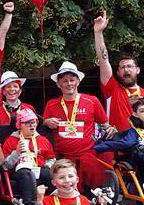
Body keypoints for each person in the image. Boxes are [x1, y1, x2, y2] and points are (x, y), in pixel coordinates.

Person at [42, 61, 114, 192]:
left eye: (72, 80)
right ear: (59, 84)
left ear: (78, 81)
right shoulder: (52, 104)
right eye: (65, 81)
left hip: (87, 157)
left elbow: (106, 125)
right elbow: (44, 125)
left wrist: (111, 128)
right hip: (62, 158)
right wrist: (47, 122)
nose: (69, 84)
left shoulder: (92, 101)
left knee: (92, 192)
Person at [93, 11, 144, 132]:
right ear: (117, 73)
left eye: (129, 66)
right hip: (115, 146)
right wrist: (98, 32)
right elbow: (103, 59)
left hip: (139, 146)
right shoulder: (112, 88)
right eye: (122, 67)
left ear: (137, 70)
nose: (126, 70)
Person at [1, 108, 55, 205]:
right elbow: (5, 164)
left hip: (39, 171)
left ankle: (58, 197)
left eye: (33, 122)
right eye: (27, 123)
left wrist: (48, 165)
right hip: (19, 173)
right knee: (25, 172)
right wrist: (16, 153)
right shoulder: (11, 140)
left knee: (47, 172)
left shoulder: (43, 140)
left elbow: (51, 159)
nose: (31, 125)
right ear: (19, 125)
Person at [0, 71, 35, 141]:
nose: (12, 89)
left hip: (26, 148)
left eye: (15, 86)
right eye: (8, 86)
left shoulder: (29, 109)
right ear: (3, 91)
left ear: (20, 90)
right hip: (2, 150)